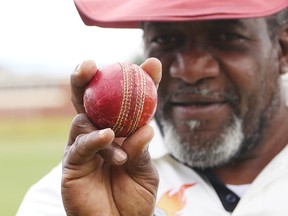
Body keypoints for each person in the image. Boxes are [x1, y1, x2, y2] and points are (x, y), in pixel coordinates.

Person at [16, 0, 288, 215]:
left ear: (283, 50)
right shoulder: (64, 197)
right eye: (167, 40)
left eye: (227, 37)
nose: (190, 70)